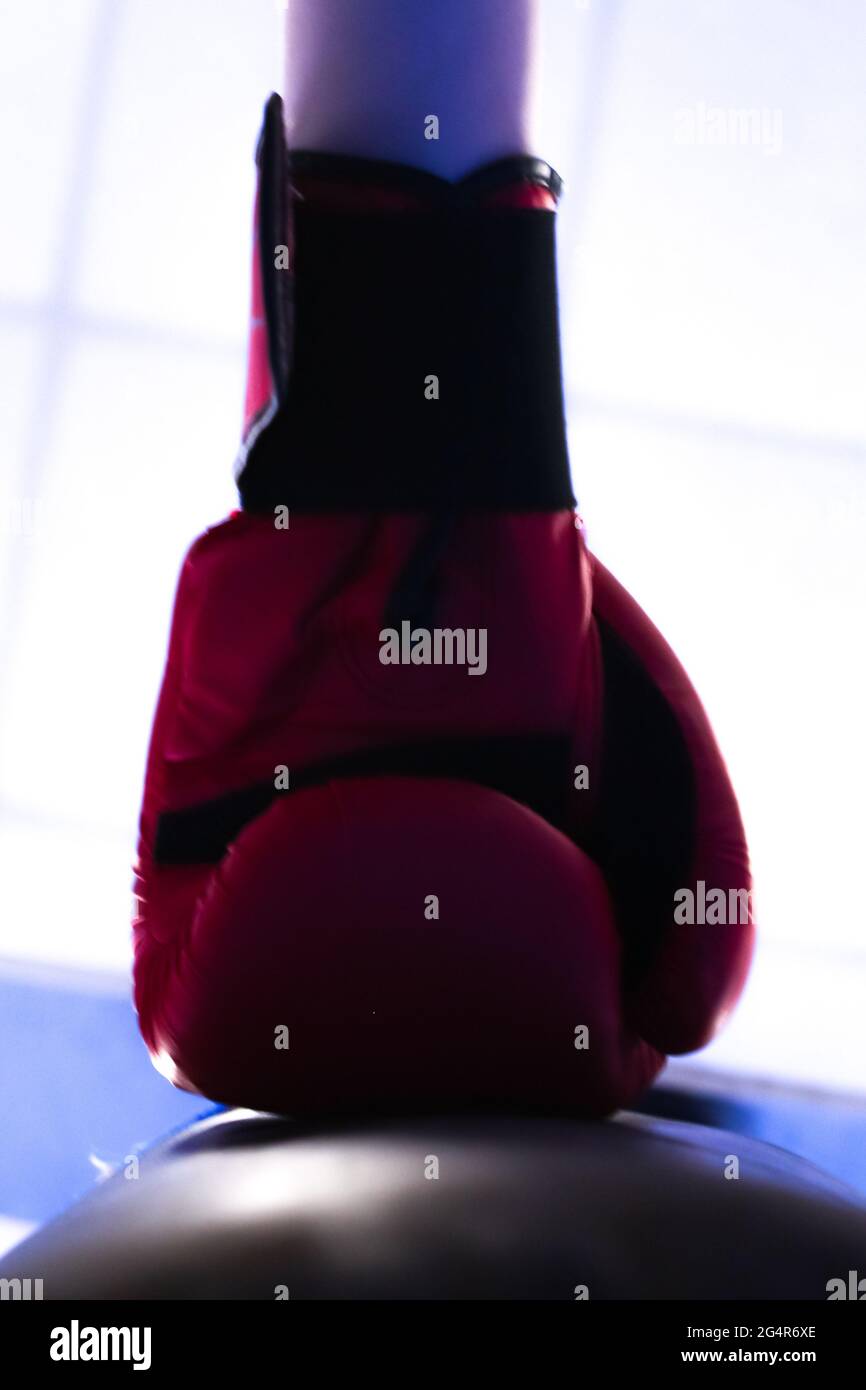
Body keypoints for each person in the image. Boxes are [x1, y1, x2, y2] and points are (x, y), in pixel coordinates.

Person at [131, 0, 753, 1116]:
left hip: (469, 674)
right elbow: (690, 965)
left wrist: (552, 563)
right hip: (340, 695)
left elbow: (694, 967)